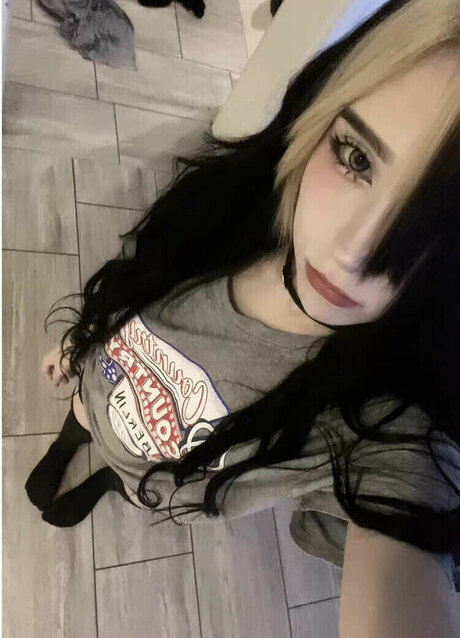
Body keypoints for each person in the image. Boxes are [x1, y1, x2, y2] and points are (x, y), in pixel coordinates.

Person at [26, 0, 460, 616]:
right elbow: (133, 279)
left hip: (161, 480)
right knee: (82, 418)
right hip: (99, 388)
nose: (351, 255)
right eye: (357, 157)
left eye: (441, 228)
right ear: (318, 120)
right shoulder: (222, 217)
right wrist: (79, 339)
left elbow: (411, 519)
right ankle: (64, 449)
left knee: (134, 485)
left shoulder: (378, 424)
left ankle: (108, 481)